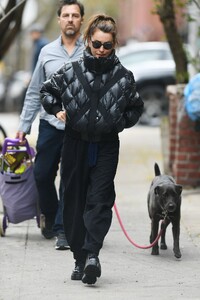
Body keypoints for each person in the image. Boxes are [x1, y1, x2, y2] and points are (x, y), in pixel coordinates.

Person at [40, 14, 144, 284]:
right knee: (74, 202)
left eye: (107, 45)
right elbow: (47, 91)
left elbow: (136, 107)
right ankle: (78, 258)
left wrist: (119, 122)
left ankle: (92, 256)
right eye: (96, 44)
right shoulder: (70, 70)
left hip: (107, 146)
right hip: (75, 143)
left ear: (114, 45)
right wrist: (57, 110)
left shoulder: (124, 76)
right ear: (88, 41)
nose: (101, 50)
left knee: (99, 202)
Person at [16, 0, 85, 250]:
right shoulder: (46, 52)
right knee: (42, 174)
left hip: (78, 129)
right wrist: (24, 125)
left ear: (81, 20)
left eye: (74, 15)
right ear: (59, 20)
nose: (70, 19)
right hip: (49, 124)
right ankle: (51, 214)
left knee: (70, 177)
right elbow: (35, 91)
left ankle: (62, 228)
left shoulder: (89, 50)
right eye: (65, 15)